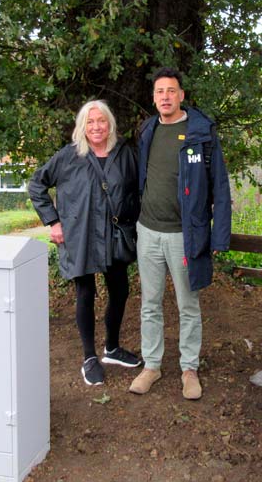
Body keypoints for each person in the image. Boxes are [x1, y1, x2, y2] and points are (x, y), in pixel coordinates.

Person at [129, 67, 231, 400]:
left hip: (184, 236)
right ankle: (152, 366)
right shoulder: (147, 131)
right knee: (150, 304)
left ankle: (189, 370)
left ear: (181, 95)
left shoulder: (201, 133)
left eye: (171, 91)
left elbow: (220, 186)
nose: (165, 97)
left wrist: (218, 238)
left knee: (188, 305)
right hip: (148, 232)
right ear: (154, 97)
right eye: (160, 92)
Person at [29, 100, 141, 386]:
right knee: (85, 294)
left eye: (101, 121)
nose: (96, 127)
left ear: (110, 124)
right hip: (81, 236)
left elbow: (139, 190)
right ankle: (89, 357)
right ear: (82, 126)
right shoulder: (68, 156)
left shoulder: (125, 154)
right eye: (90, 122)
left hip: (115, 236)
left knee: (120, 291)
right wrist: (53, 221)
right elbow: (37, 184)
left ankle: (112, 348)